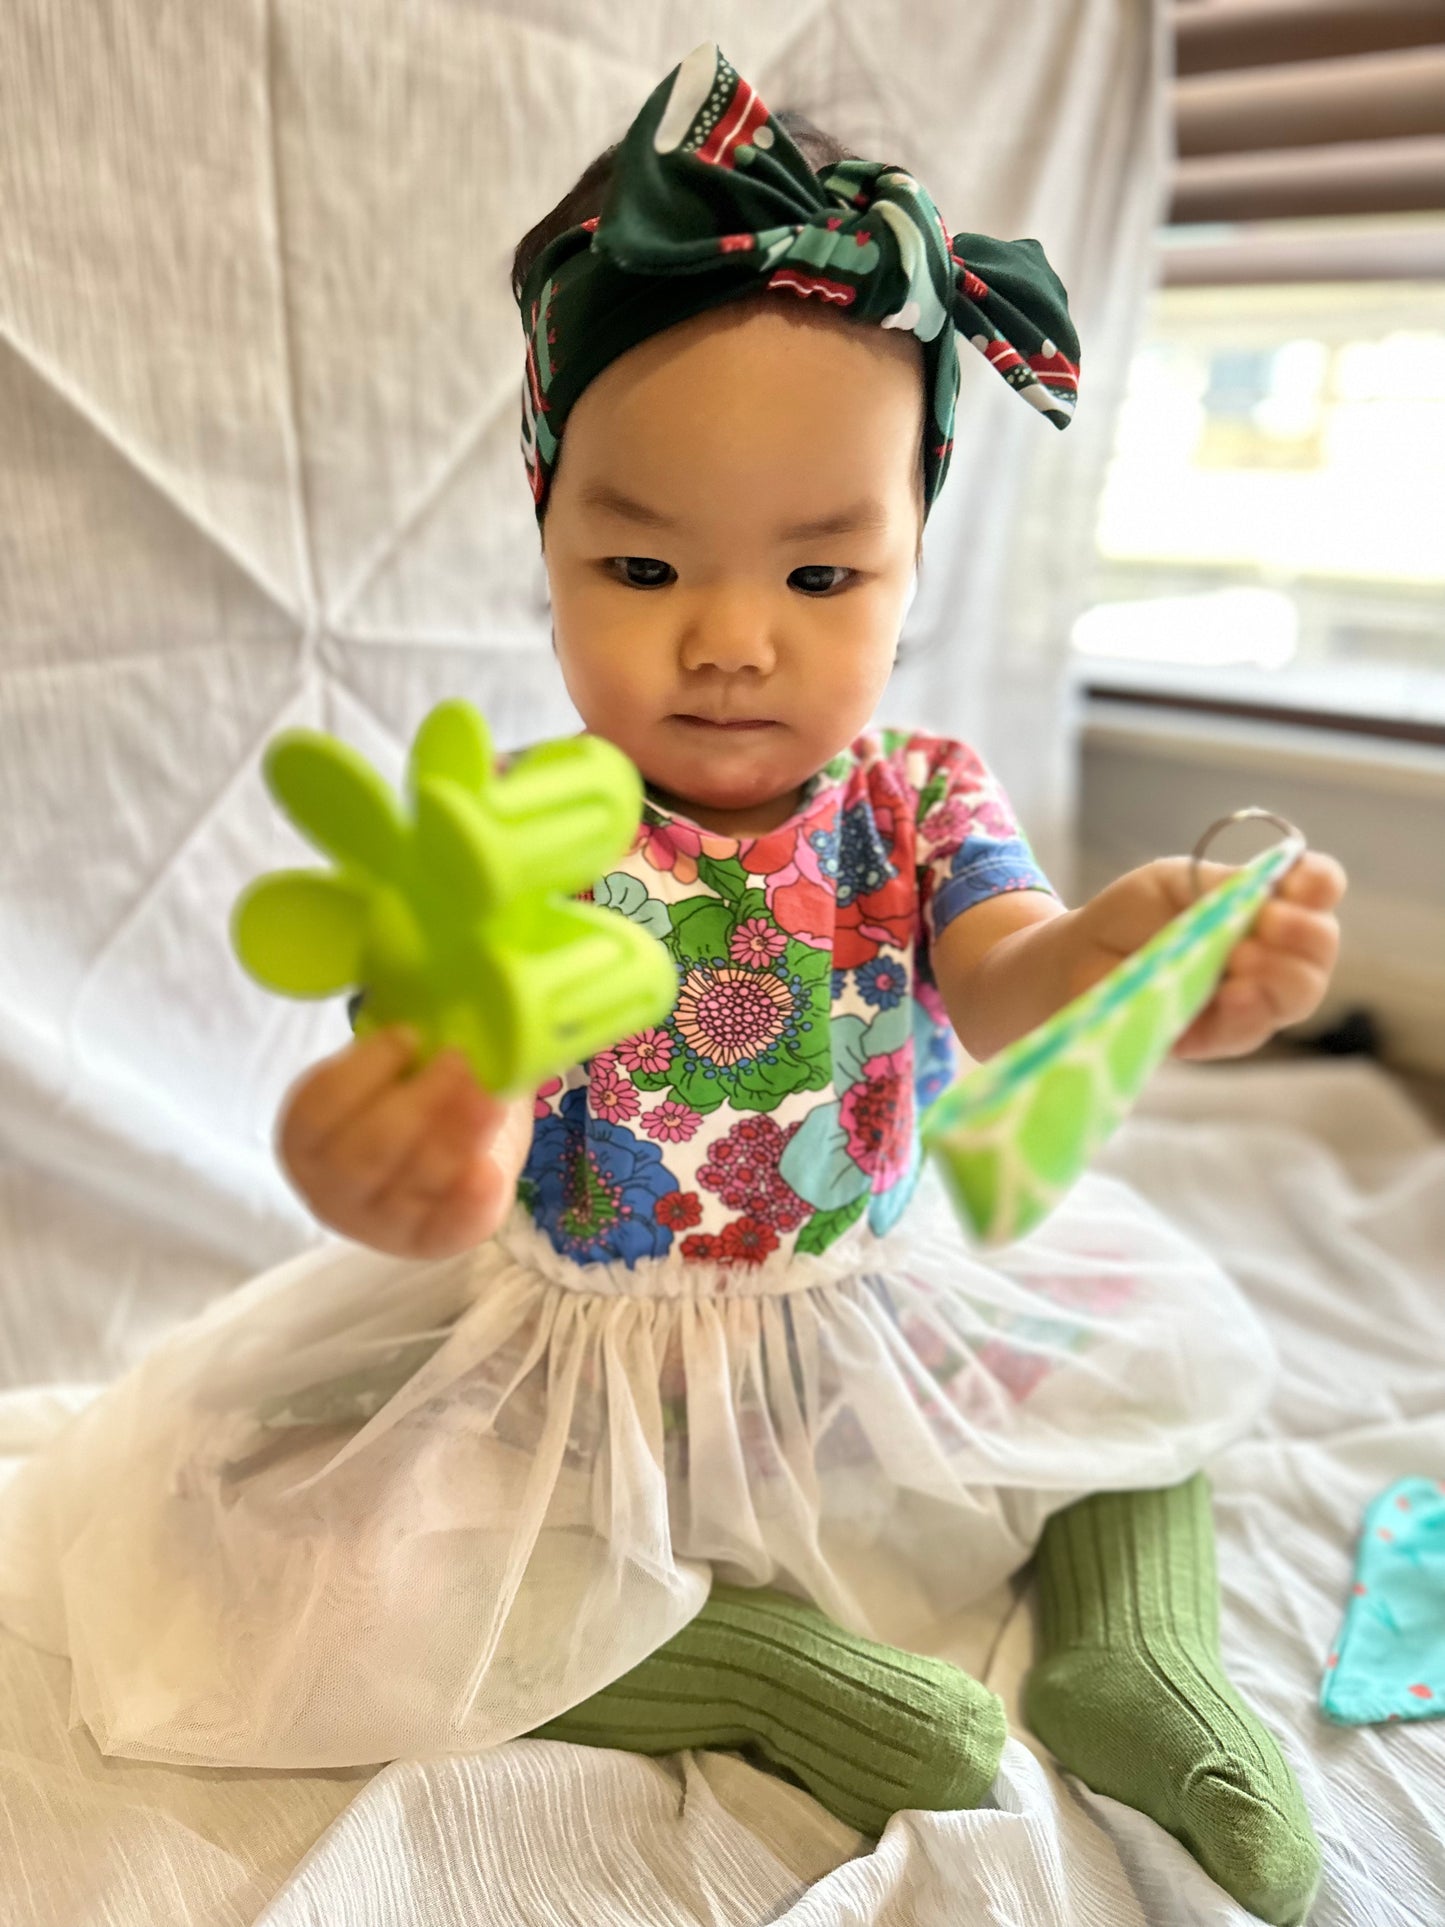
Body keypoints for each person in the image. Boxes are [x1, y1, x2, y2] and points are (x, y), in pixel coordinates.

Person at [0, 45, 1345, 1926]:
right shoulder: (538, 828)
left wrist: (1141, 954)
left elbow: (1015, 975)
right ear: (545, 541)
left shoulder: (920, 799)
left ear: (910, 560)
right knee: (268, 1536)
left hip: (858, 1311)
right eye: (638, 562)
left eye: (819, 572)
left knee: (1151, 1391)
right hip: (579, 1352)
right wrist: (385, 1145)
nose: (726, 640)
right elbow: (416, 1055)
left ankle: (1136, 1660)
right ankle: (751, 1670)